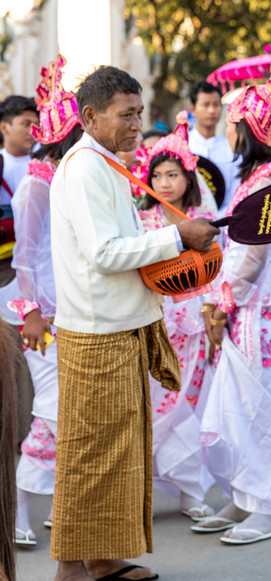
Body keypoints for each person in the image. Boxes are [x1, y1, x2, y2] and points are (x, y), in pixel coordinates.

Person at [49, 65, 217, 581]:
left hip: (118, 328)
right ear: (91, 116)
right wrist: (176, 240)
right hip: (98, 335)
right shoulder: (83, 168)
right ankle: (70, 570)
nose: (136, 124)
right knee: (91, 457)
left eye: (139, 113)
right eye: (126, 115)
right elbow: (104, 253)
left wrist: (176, 245)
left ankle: (102, 559)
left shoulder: (105, 163)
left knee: (121, 453)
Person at [193, 56, 271, 545]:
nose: (228, 132)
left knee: (256, 405)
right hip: (244, 305)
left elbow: (250, 257)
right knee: (236, 403)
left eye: (234, 124)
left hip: (255, 307)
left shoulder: (266, 179)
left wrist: (219, 304)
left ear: (246, 130)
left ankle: (265, 508)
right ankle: (242, 496)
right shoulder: (255, 178)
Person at [9, 55, 83, 548]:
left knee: (67, 419)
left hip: (75, 312)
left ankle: (59, 511)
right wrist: (31, 312)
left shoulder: (69, 176)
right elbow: (24, 255)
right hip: (46, 316)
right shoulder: (38, 181)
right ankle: (15, 510)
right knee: (52, 416)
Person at [138, 112, 217, 526]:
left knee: (190, 404)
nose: (164, 182)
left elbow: (219, 268)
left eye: (172, 174)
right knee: (153, 407)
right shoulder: (143, 221)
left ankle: (190, 489)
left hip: (193, 327)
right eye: (158, 174)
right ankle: (143, 491)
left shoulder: (200, 221)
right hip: (154, 326)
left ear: (189, 178)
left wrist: (214, 311)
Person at [188, 81, 239, 216]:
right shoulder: (183, 144)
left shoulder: (231, 147)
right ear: (192, 109)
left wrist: (220, 218)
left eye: (216, 105)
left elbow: (235, 190)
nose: (211, 110)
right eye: (206, 105)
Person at [0, 95, 39, 202]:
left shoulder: (44, 163)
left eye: (36, 124)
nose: (33, 131)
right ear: (4, 127)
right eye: (26, 124)